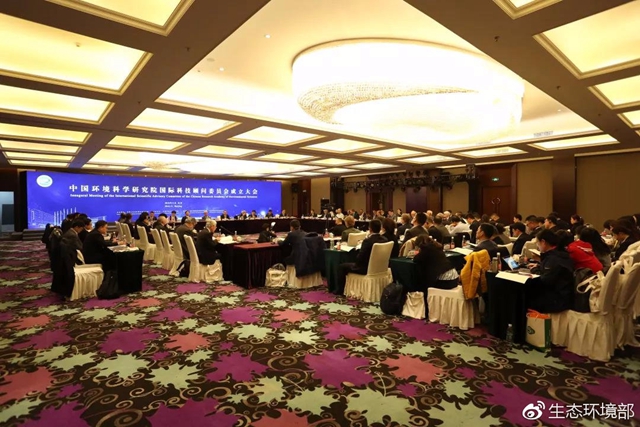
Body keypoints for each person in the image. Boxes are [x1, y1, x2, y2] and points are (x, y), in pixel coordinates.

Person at [526, 229, 574, 313]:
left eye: (538, 243)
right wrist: (539, 266)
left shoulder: (553, 259)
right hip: (562, 295)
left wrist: (534, 270)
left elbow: (544, 281)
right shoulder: (560, 254)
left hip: (557, 300)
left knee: (522, 297)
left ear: (543, 242)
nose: (537, 246)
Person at [335, 220, 388, 295]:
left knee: (341, 267)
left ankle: (340, 291)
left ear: (370, 229)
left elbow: (360, 259)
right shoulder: (385, 240)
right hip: (379, 268)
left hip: (365, 268)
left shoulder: (367, 241)